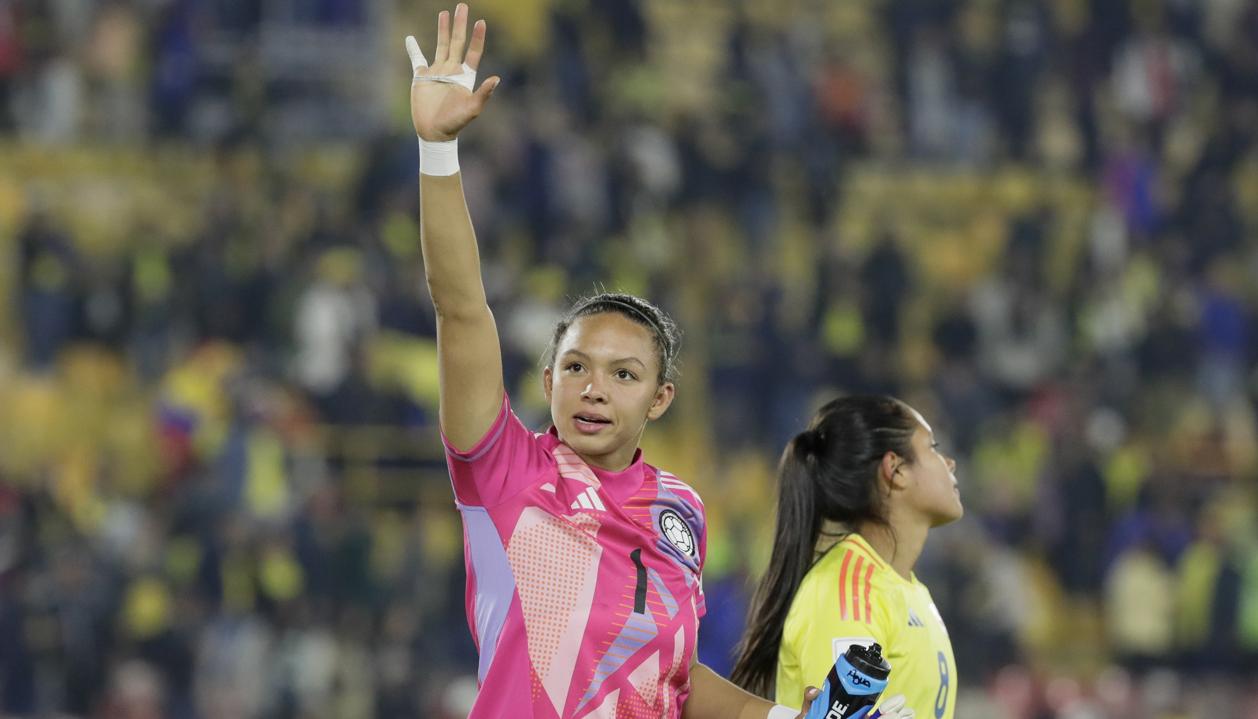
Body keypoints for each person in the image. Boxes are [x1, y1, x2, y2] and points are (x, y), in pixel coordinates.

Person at [405, 6, 912, 718]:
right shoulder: (505, 471)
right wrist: (437, 153)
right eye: (576, 367)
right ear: (547, 382)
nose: (594, 389)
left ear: (661, 398)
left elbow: (667, 676)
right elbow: (460, 307)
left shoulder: (683, 510)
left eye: (624, 374)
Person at [732, 396, 963, 719]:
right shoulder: (848, 593)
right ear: (895, 469)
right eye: (933, 447)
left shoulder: (905, 588)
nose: (949, 462)